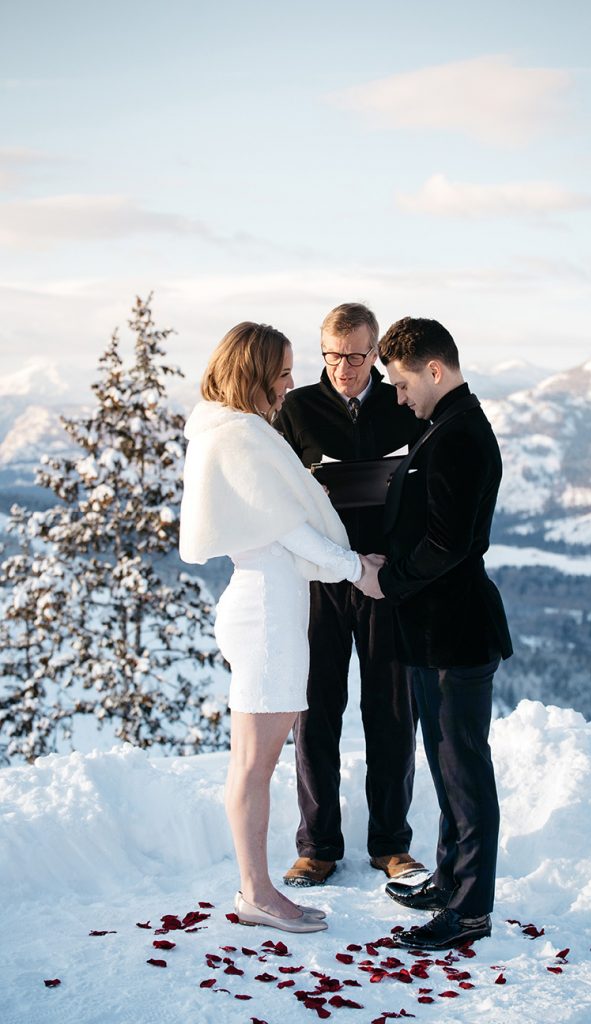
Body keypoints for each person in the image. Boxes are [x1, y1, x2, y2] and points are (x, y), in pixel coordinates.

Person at [179, 321, 375, 934]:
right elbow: (287, 526)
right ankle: (258, 893)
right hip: (267, 612)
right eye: (283, 372)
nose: (291, 384)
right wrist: (356, 568)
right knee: (255, 764)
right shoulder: (241, 437)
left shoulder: (230, 432)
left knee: (252, 761)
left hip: (264, 603)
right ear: (255, 373)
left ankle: (255, 889)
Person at [356, 316, 513, 950]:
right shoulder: (444, 426)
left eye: (401, 384)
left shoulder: (459, 436)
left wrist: (387, 581)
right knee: (448, 771)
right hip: (432, 632)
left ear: (435, 370)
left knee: (464, 774)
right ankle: (449, 882)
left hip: (456, 632)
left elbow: (449, 543)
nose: (398, 397)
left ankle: (470, 911)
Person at [276, 303, 427, 887]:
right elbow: (277, 495)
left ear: (375, 353)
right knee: (315, 713)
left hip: (386, 581)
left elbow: (426, 484)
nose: (343, 368)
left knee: (391, 711)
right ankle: (317, 846)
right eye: (333, 356)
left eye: (357, 356)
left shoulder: (400, 404)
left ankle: (391, 844)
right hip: (319, 582)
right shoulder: (297, 409)